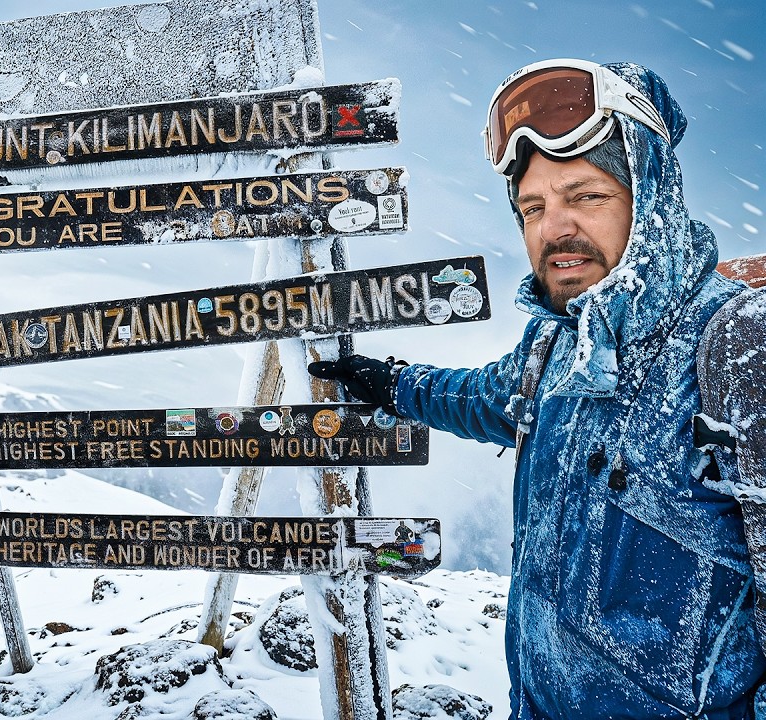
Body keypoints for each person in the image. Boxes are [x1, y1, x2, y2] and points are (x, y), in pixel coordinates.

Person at [310, 59, 766, 718]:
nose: (554, 230)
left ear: (652, 199)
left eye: (585, 195)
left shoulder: (734, 344)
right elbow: (487, 399)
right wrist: (394, 383)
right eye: (534, 207)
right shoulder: (557, 345)